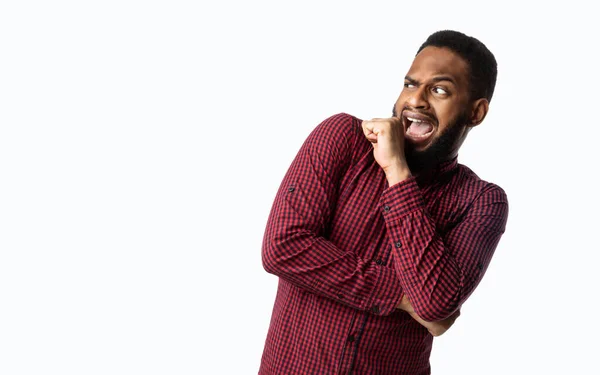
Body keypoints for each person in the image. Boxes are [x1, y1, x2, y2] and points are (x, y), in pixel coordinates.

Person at [259, 30, 509, 375]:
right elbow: (282, 248)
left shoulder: (481, 202)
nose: (416, 100)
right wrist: (403, 296)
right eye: (410, 84)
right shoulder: (342, 138)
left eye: (439, 90)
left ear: (476, 112)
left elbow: (435, 305)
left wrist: (397, 171)